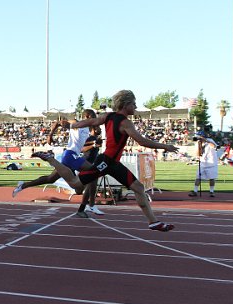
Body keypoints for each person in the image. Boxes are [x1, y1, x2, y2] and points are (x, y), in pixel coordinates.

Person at [31, 90, 179, 231]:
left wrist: (73, 125)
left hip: (113, 163)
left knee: (139, 188)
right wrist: (165, 146)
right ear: (125, 104)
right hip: (106, 162)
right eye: (133, 103)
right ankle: (51, 159)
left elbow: (91, 121)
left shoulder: (107, 116)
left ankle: (153, 222)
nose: (136, 106)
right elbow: (142, 141)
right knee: (76, 184)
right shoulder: (125, 123)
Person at [13, 110, 103, 217]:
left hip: (72, 157)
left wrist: (95, 133)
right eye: (93, 117)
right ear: (87, 116)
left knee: (52, 179)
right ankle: (90, 205)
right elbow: (59, 122)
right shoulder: (76, 123)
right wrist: (50, 135)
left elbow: (95, 132)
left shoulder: (88, 129)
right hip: (70, 156)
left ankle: (22, 185)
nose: (94, 120)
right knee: (94, 173)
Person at [189, 133, 219, 197]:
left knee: (212, 178)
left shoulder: (210, 140)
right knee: (198, 177)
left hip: (211, 162)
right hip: (203, 162)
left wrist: (205, 141)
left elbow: (214, 146)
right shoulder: (198, 143)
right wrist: (199, 146)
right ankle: (195, 191)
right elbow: (197, 154)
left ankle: (211, 191)